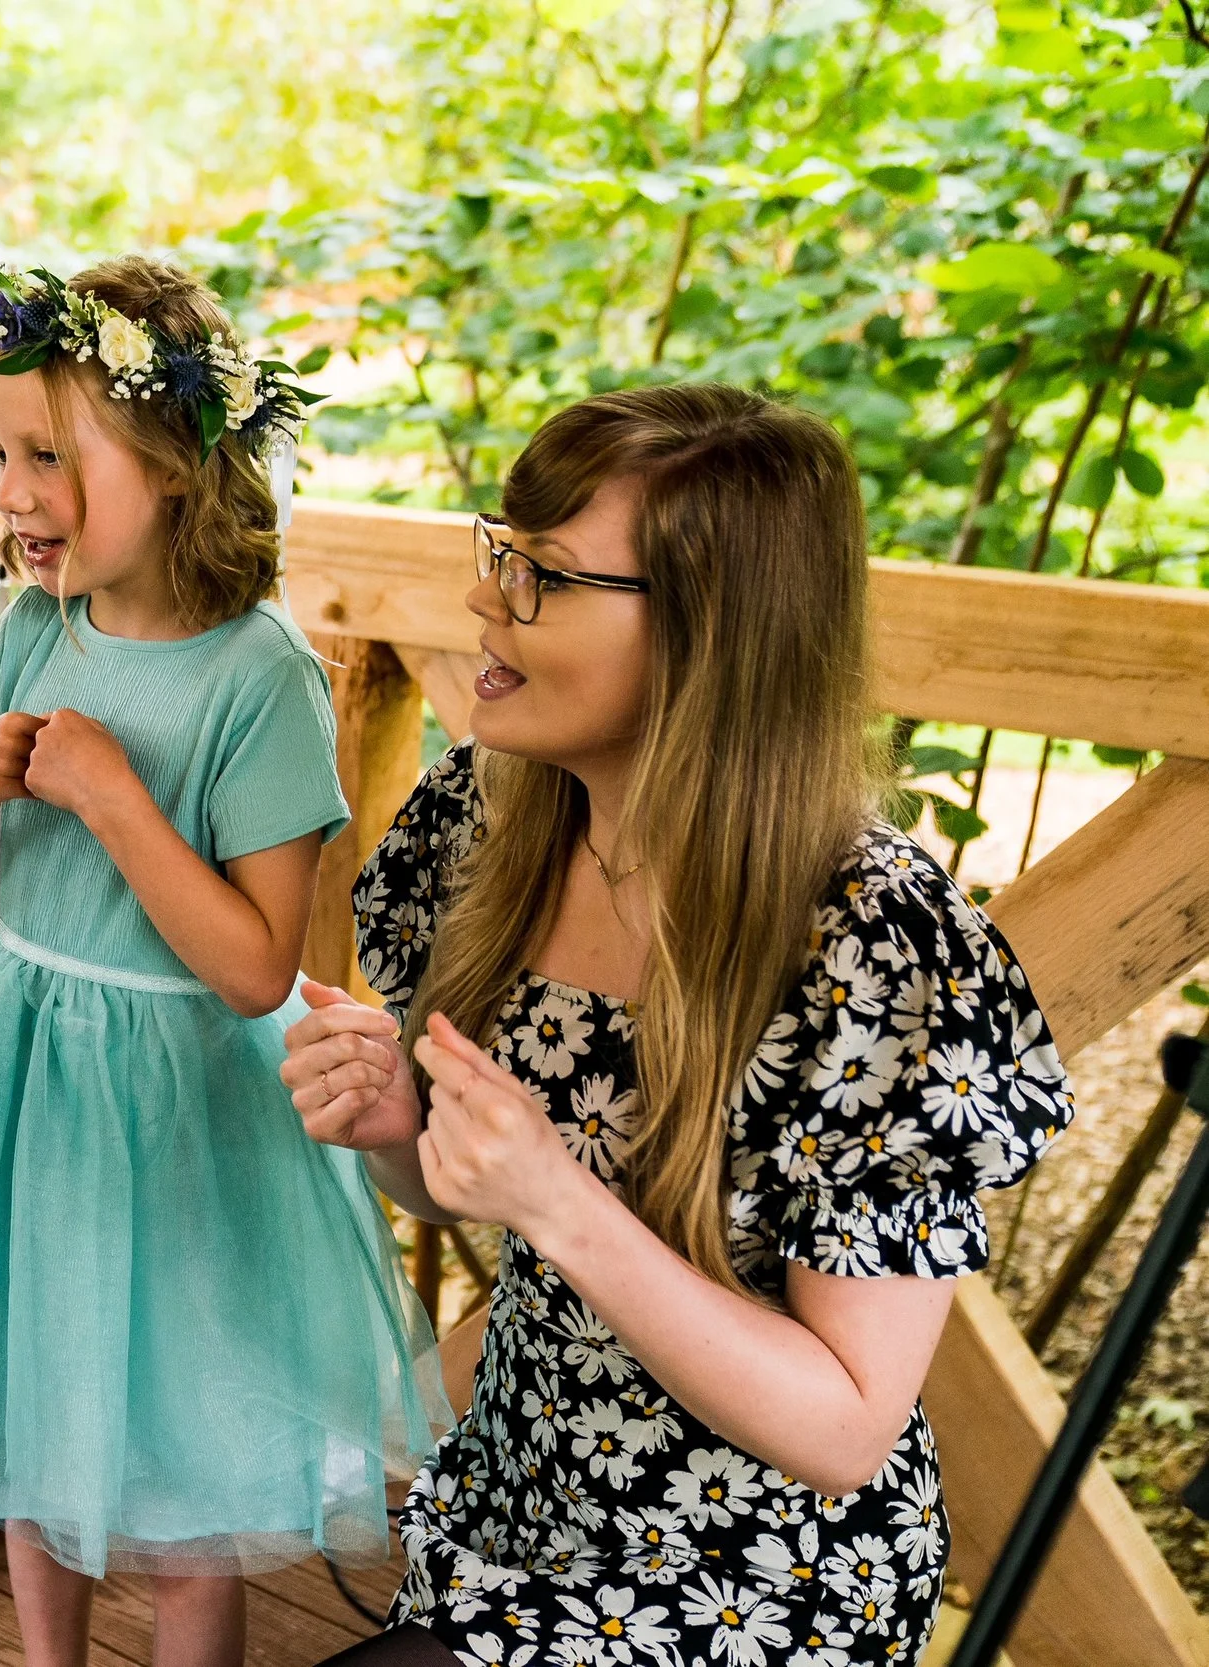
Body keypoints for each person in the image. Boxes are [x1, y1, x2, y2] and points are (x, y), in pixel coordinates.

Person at [279, 385, 1075, 1666]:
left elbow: (844, 1427)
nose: (486, 601)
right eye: (500, 551)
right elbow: (441, 1191)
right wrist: (390, 1129)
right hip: (508, 1511)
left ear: (713, 632)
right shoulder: (492, 823)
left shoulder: (878, 944)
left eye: (544, 575)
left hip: (754, 1576)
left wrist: (556, 1203)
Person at [0, 256, 447, 1667]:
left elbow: (253, 964)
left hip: (176, 1108)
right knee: (44, 1436)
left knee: (176, 1490)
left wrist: (115, 797)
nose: (12, 492)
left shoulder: (259, 676)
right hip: (19, 1077)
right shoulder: (34, 625)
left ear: (172, 460)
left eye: (49, 454)